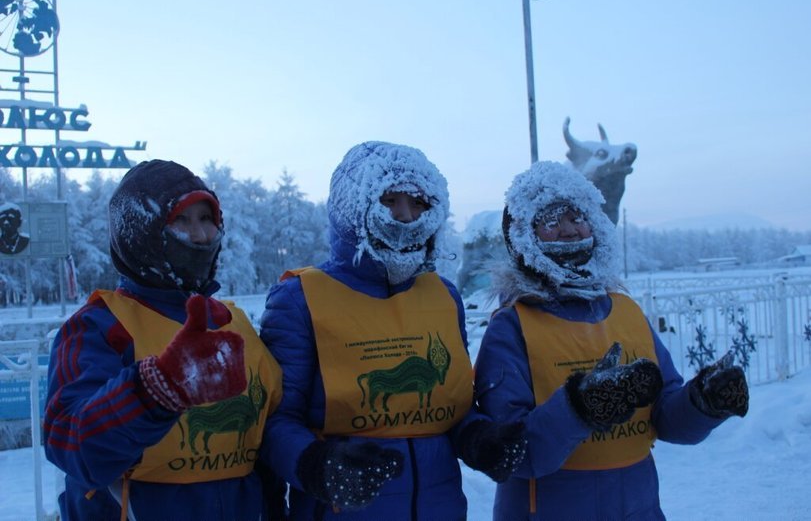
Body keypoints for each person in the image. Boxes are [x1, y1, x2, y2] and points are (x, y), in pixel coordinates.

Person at [259, 141, 526, 520]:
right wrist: (318, 466)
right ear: (355, 204)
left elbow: (447, 407)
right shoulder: (299, 299)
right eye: (389, 200)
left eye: (418, 203)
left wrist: (479, 438)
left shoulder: (443, 296)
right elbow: (272, 422)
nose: (405, 215)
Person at [474, 160, 750, 520]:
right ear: (524, 234)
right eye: (552, 221)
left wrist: (702, 403)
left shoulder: (627, 313)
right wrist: (580, 408)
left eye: (577, 217)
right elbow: (514, 455)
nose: (570, 230)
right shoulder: (512, 327)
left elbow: (666, 417)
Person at [44, 159, 284, 521]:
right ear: (140, 232)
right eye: (181, 221)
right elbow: (70, 441)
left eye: (207, 220)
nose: (201, 236)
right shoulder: (99, 325)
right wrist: (154, 389)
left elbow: (269, 432)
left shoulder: (233, 322)